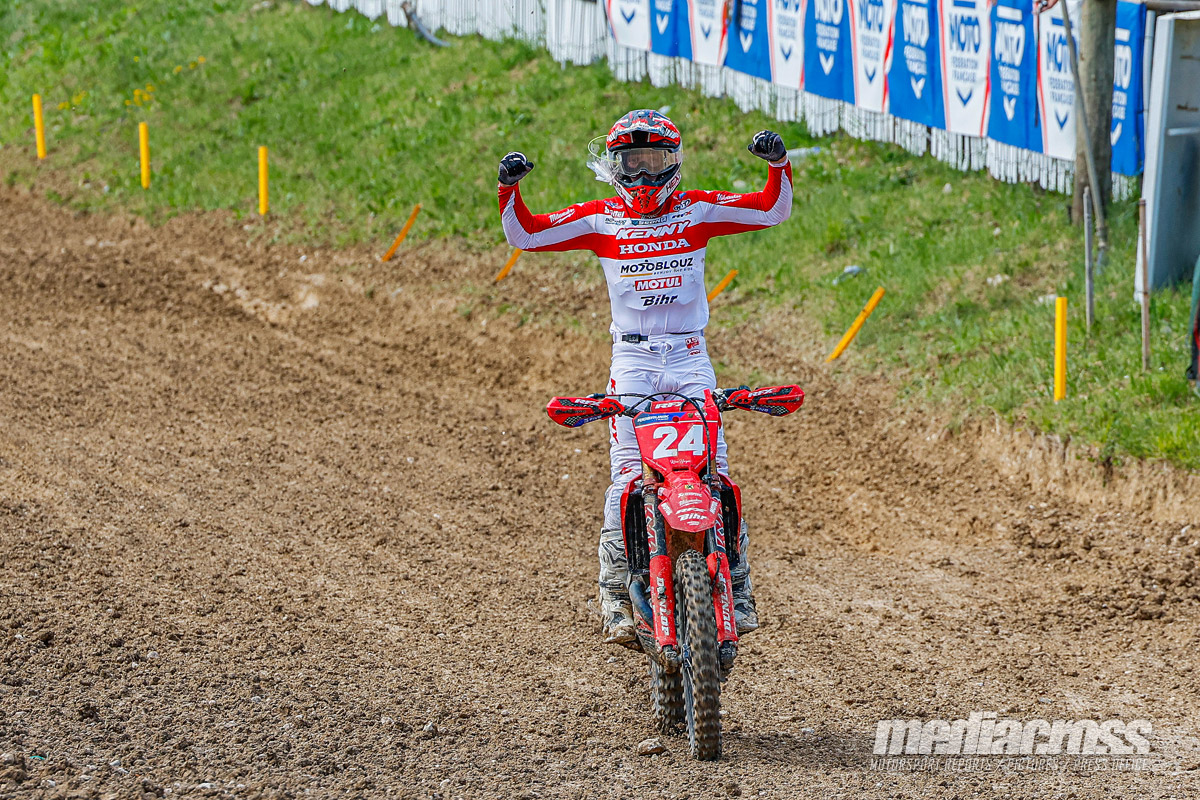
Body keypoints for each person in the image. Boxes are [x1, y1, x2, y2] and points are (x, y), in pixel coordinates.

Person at [497, 109, 793, 644]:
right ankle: (615, 594)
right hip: (631, 361)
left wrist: (777, 164)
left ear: (673, 162)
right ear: (614, 166)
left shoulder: (697, 210)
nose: (641, 174)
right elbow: (526, 234)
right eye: (630, 163)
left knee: (715, 475)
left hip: (690, 357)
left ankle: (739, 586)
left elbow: (772, 210)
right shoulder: (601, 218)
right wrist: (509, 188)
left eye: (653, 161)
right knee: (628, 479)